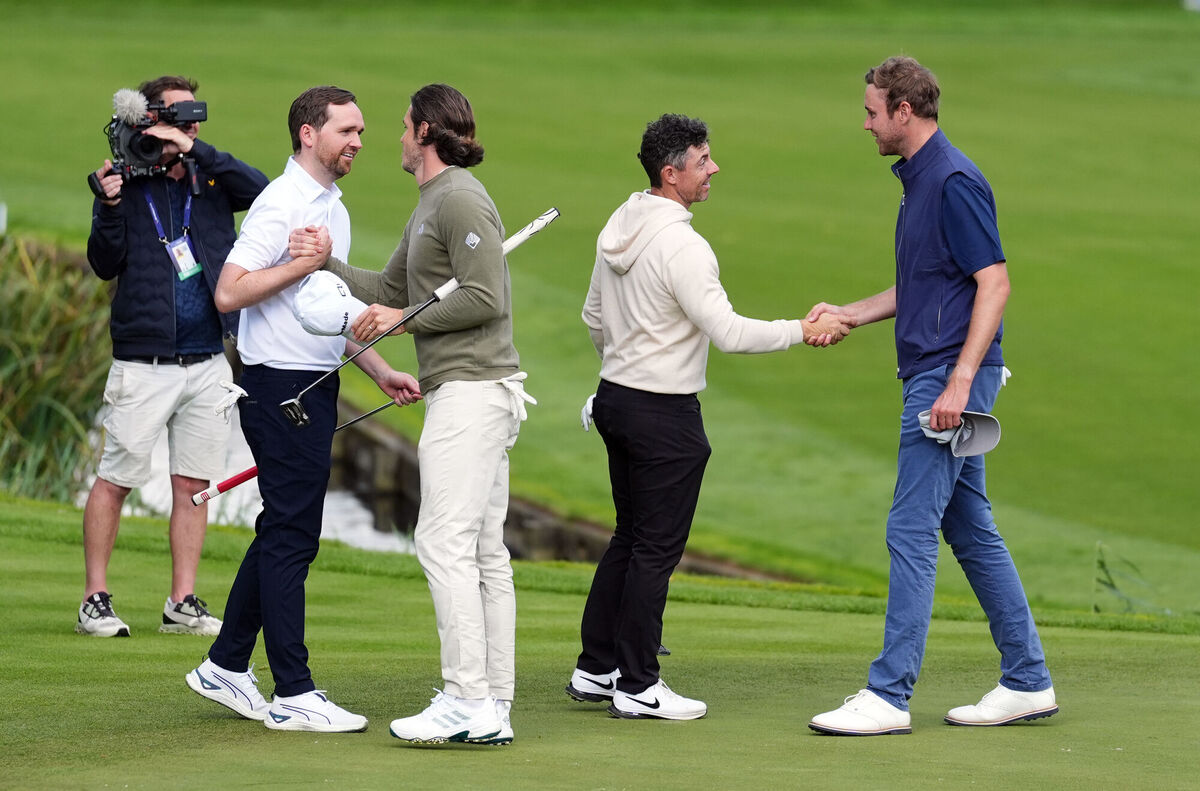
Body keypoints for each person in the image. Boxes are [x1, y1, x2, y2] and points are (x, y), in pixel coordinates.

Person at [565, 113, 851, 721]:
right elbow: (730, 333)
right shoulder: (684, 246)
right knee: (655, 550)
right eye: (702, 161)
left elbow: (594, 317)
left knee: (629, 536)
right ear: (671, 174)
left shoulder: (619, 223)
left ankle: (597, 667)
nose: (714, 168)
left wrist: (624, 365)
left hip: (616, 398)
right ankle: (638, 685)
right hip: (664, 414)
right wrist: (802, 330)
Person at [807, 56, 1056, 736]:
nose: (865, 123)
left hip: (946, 375)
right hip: (941, 370)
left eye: (872, 112)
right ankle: (1028, 678)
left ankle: (889, 694)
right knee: (968, 525)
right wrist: (852, 312)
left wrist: (960, 381)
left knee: (910, 526)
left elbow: (994, 282)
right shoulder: (920, 180)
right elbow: (927, 282)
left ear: (904, 111)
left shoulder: (951, 180)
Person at [289, 83, 526, 746]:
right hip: (468, 392)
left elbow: (485, 295)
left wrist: (404, 318)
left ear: (425, 131)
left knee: (443, 543)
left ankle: (467, 697)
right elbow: (390, 289)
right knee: (480, 550)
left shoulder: (459, 197)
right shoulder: (429, 203)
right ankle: (492, 701)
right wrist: (327, 263)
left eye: (402, 126)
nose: (394, 138)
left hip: (474, 391)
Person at [183, 86, 421, 734]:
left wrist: (379, 370)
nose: (359, 142)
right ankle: (293, 691)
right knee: (293, 536)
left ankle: (226, 665)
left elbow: (326, 312)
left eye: (362, 131)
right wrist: (300, 264)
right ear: (309, 134)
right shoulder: (280, 203)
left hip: (312, 387)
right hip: (277, 389)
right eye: (347, 130)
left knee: (282, 530)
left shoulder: (331, 208)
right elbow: (229, 292)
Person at [81, 75, 269, 638]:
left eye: (192, 118)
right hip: (144, 362)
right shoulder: (127, 183)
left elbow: (261, 190)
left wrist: (195, 151)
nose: (187, 125)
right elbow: (104, 263)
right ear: (147, 119)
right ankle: (94, 599)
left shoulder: (210, 179)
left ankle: (181, 602)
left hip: (208, 359)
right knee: (116, 478)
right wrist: (108, 206)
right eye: (176, 117)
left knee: (194, 484)